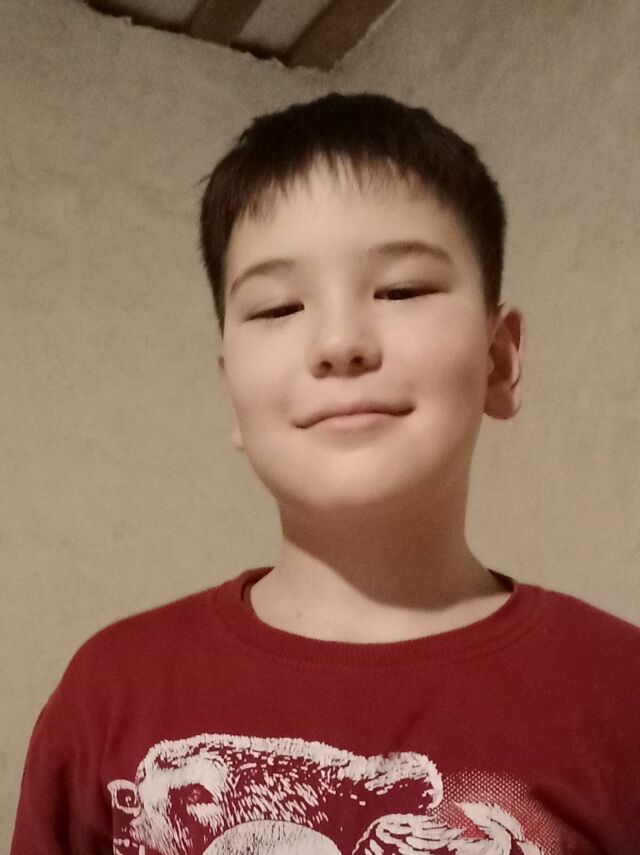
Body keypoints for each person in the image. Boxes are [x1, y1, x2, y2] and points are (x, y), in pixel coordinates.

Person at [11, 92, 640, 855]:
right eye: (279, 307)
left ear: (500, 360)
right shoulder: (111, 691)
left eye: (402, 289)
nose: (339, 342)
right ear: (231, 396)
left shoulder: (619, 690)